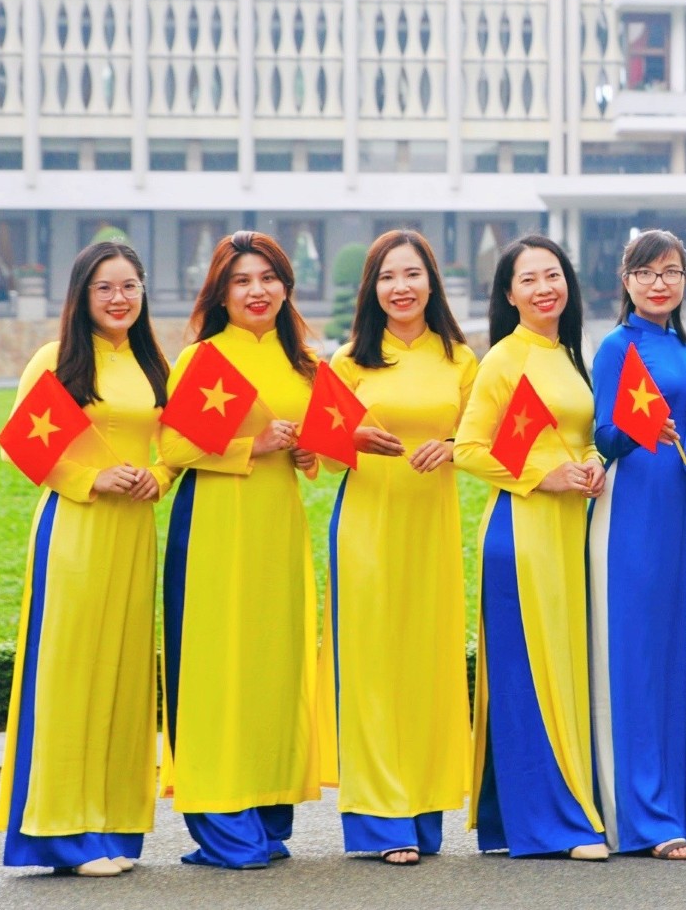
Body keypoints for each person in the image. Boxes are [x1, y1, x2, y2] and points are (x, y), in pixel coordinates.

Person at [0, 242, 173, 876]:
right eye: (105, 288)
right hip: (76, 528)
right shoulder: (60, 359)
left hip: (135, 533)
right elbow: (21, 444)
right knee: (71, 673)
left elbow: (176, 445)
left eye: (129, 286)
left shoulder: (154, 364)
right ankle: (64, 835)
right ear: (82, 295)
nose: (119, 299)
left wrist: (157, 476)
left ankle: (112, 828)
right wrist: (90, 479)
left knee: (123, 677)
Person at [159, 231, 322, 869]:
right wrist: (253, 447)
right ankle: (223, 823)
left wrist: (306, 454)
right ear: (220, 294)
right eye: (241, 281)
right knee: (216, 667)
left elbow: (318, 442)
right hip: (215, 526)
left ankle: (267, 813)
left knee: (271, 666)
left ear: (286, 286)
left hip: (278, 527)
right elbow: (174, 449)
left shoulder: (303, 362)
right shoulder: (205, 358)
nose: (257, 291)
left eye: (268, 278)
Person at [319, 231, 477, 864]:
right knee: (373, 669)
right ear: (372, 289)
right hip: (367, 526)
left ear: (431, 282)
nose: (401, 287)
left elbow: (485, 441)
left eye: (412, 274)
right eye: (387, 277)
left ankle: (424, 810)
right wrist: (352, 438)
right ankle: (382, 821)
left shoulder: (460, 360)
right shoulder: (348, 361)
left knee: (426, 667)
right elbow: (322, 455)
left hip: (432, 529)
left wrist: (454, 448)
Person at [454, 235, 608, 860]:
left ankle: (522, 816)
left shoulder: (568, 353)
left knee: (561, 671)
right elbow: (469, 449)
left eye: (553, 275)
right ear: (509, 294)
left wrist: (593, 463)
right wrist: (542, 478)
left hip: (568, 531)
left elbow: (580, 435)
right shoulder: (503, 359)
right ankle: (554, 825)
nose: (545, 288)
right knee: (531, 674)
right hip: (520, 533)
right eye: (529, 279)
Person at [588, 230, 686, 860]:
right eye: (647, 273)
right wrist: (640, 428)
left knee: (665, 663)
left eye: (672, 272)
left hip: (673, 514)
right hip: (630, 510)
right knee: (632, 662)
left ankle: (669, 810)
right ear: (626, 280)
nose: (660, 283)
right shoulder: (616, 346)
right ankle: (639, 821)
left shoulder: (684, 346)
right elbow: (604, 435)